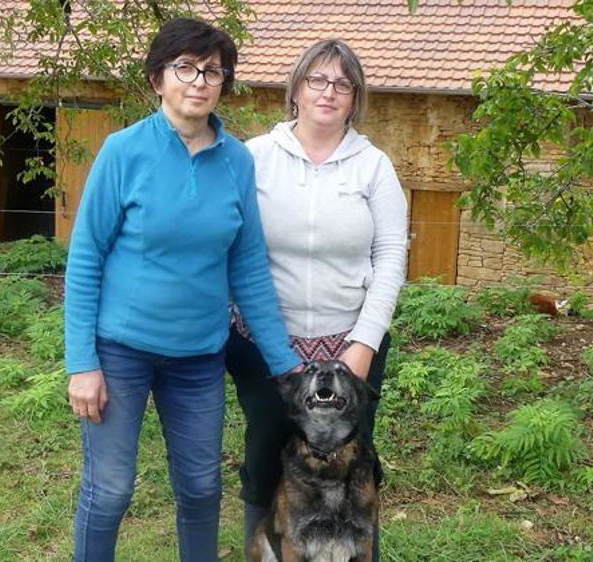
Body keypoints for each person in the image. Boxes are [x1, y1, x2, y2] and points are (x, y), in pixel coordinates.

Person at [64, 17, 302, 562]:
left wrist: (284, 364)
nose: (199, 80)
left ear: (223, 83)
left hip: (198, 358)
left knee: (200, 488)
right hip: (120, 352)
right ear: (158, 79)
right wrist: (82, 362)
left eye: (212, 71)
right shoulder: (123, 152)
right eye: (185, 68)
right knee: (111, 490)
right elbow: (85, 260)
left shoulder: (238, 161)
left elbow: (247, 268)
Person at [225, 39, 408, 560]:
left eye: (342, 84)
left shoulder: (373, 167)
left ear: (355, 97)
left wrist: (365, 343)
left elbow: (392, 256)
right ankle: (266, 549)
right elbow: (231, 244)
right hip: (264, 341)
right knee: (264, 457)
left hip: (348, 345)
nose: (329, 92)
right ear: (296, 89)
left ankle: (353, 550)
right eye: (317, 80)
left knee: (354, 461)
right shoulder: (254, 157)